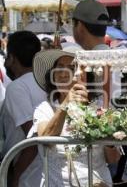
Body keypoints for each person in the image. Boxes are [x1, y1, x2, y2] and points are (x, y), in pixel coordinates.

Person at [29, 48, 117, 186]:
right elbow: (46, 139)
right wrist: (66, 104)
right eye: (59, 68)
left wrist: (109, 137)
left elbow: (113, 159)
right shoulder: (44, 108)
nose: (64, 74)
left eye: (71, 68)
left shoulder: (100, 106)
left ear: (84, 75)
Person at [72, 0, 122, 178]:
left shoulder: (86, 62)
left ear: (79, 27)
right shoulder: (122, 58)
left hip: (100, 151)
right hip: (117, 143)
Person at [0, 31, 47, 187]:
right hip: (43, 170)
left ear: (12, 58)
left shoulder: (16, 88)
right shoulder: (45, 82)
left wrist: (15, 177)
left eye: (7, 56)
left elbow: (32, 140)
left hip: (27, 174)